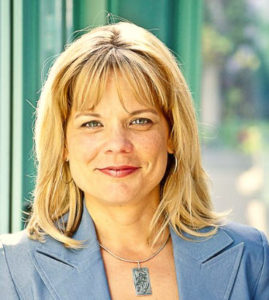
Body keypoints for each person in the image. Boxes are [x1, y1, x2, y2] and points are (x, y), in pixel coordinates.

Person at [0, 21, 268, 300]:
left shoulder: (253, 257)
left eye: (140, 121)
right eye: (92, 124)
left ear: (173, 134)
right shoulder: (10, 269)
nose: (117, 145)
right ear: (63, 143)